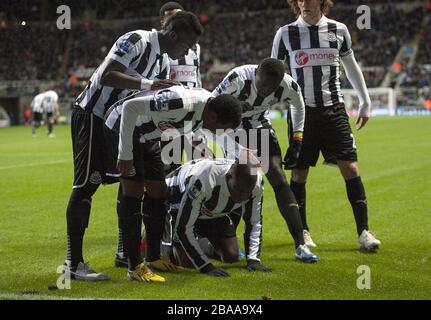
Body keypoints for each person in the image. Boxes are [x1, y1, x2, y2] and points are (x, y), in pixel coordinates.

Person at [64, 10, 203, 281]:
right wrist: (149, 83)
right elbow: (107, 75)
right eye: (186, 45)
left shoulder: (163, 61)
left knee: (150, 186)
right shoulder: (136, 40)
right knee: (86, 187)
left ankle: (145, 257)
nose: (186, 51)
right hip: (94, 115)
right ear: (173, 34)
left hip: (126, 124)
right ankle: (73, 263)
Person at [271, 0, 381, 250]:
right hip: (301, 113)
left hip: (334, 110)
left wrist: (365, 100)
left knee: (351, 167)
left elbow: (351, 66)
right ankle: (304, 232)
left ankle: (364, 232)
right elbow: (273, 73)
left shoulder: (338, 30)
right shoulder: (285, 33)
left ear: (321, 1)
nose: (303, 4)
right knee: (299, 173)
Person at [103, 86, 242, 282]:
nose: (221, 133)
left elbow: (188, 124)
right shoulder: (180, 102)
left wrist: (241, 153)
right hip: (123, 127)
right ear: (212, 116)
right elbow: (129, 107)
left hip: (149, 135)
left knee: (158, 193)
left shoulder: (208, 108)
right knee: (133, 192)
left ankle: (153, 258)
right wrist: (125, 152)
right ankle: (134, 266)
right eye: (222, 128)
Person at [115, 2, 205, 267]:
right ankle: (127, 248)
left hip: (181, 122)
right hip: (152, 118)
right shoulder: (155, 49)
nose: (172, 23)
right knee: (135, 184)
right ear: (164, 24)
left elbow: (196, 80)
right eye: (169, 19)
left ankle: (165, 245)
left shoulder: (193, 49)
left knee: (167, 185)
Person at [213, 58, 318, 262]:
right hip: (233, 129)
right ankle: (225, 242)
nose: (265, 90)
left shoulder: (288, 85)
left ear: (279, 83)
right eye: (262, 84)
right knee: (238, 184)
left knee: (278, 177)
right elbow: (210, 104)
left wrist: (297, 140)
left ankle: (300, 245)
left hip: (260, 126)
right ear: (256, 74)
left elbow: (299, 105)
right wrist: (232, 106)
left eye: (271, 87)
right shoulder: (238, 78)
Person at [163, 158, 271, 276]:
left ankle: (197, 240)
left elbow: (254, 221)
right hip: (177, 203)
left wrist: (253, 260)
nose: (242, 197)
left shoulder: (256, 184)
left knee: (231, 255)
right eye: (238, 190)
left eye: (247, 192)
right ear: (229, 176)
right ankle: (155, 237)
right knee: (186, 262)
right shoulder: (204, 179)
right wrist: (206, 267)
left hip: (211, 211)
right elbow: (183, 228)